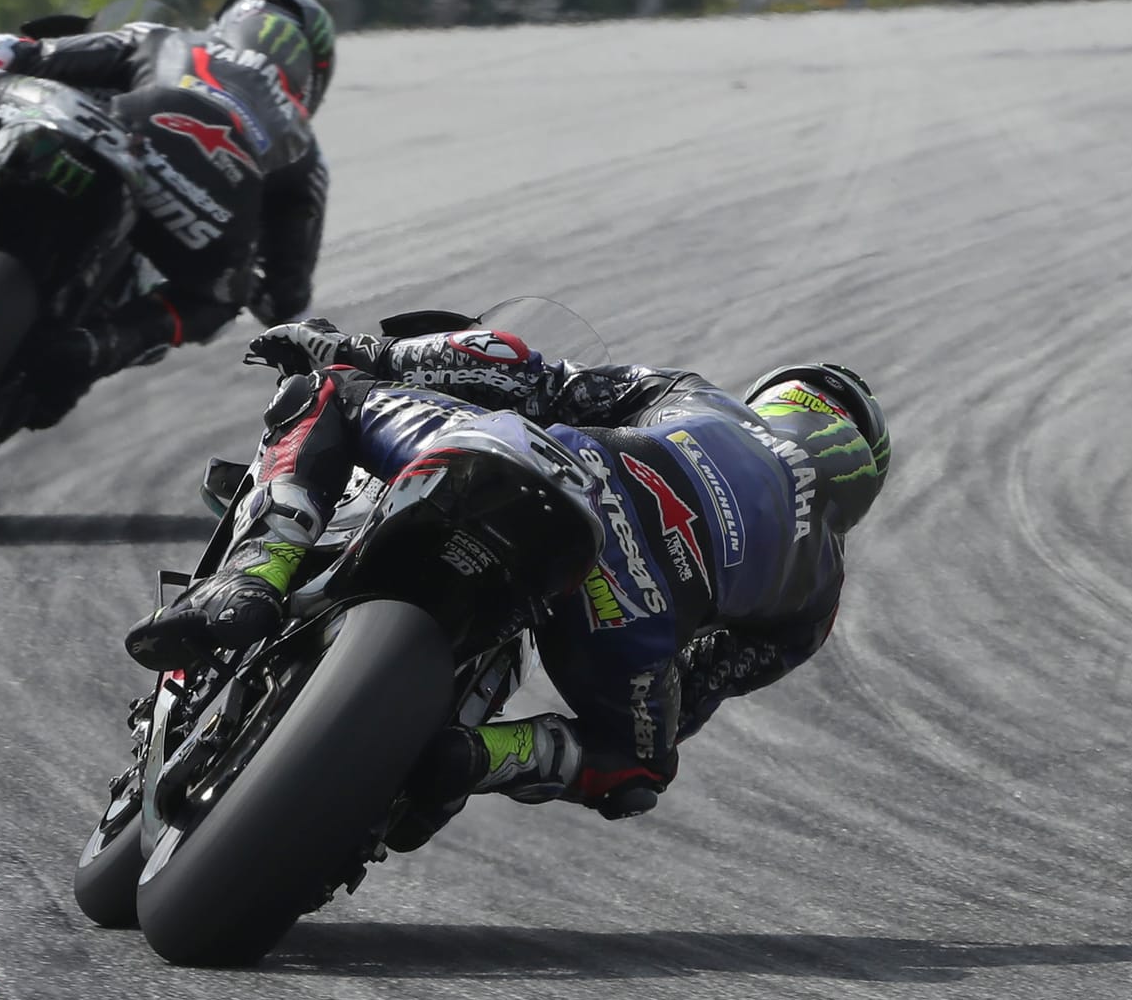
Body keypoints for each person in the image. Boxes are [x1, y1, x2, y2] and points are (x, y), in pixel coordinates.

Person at [123, 319, 890, 827]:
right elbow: (689, 698)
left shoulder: (698, 398)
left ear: (774, 398)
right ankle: (476, 758)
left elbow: (520, 366)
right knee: (638, 765)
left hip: (555, 469)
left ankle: (255, 573)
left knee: (328, 397)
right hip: (629, 607)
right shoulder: (818, 590)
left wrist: (366, 352)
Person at [0, 0, 337, 417]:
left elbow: (29, 55)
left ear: (228, 21)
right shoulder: (302, 145)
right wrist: (248, 285)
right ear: (312, 79)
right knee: (213, 300)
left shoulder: (169, 40)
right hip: (206, 214)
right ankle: (98, 346)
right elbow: (287, 299)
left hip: (120, 135)